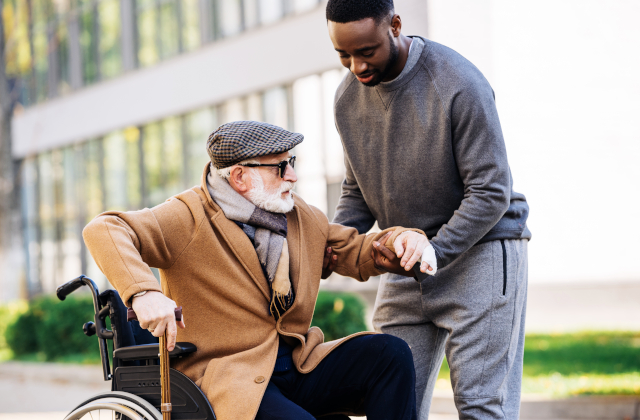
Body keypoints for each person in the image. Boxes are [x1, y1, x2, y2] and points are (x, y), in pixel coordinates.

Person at [83, 120, 432, 420]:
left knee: (390, 354)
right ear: (239, 177)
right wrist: (144, 293)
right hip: (228, 375)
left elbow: (359, 250)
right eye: (280, 167)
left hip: (297, 362)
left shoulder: (302, 218)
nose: (292, 176)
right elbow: (104, 229)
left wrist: (404, 239)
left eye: (291, 162)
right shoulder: (187, 217)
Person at [323, 1, 532, 419]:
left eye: (366, 51)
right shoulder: (347, 99)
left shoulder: (457, 82)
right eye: (343, 54)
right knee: (387, 400)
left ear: (395, 26)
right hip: (405, 261)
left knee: (480, 406)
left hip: (481, 253)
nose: (356, 66)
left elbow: (491, 189)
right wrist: (326, 248)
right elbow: (357, 192)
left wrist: (435, 249)